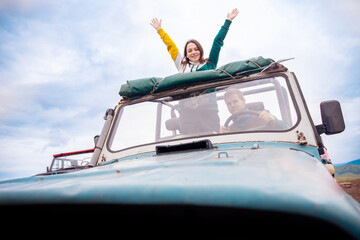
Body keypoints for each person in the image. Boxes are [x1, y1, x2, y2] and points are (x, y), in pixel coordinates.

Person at [150, 8, 239, 73]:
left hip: (208, 98)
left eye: (196, 49)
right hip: (187, 99)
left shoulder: (210, 63)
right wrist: (159, 30)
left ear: (200, 51)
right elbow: (171, 46)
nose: (193, 52)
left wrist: (228, 20)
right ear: (186, 55)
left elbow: (217, 41)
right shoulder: (182, 66)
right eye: (189, 51)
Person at [220, 88, 288, 133]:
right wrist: (222, 135)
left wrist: (274, 120)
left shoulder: (263, 117)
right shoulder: (230, 129)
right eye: (229, 103)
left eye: (235, 101)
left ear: (243, 101)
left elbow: (287, 130)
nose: (232, 105)